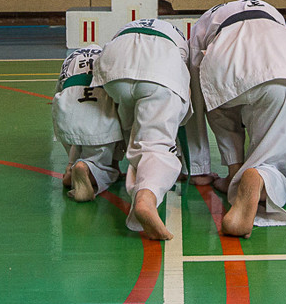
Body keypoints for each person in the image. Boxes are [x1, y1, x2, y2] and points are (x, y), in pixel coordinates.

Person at [187, 0, 286, 237]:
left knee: (220, 108)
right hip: (279, 66)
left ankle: (235, 173)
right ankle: (260, 176)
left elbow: (196, 83)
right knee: (271, 155)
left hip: (223, 62)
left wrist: (199, 167)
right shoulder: (271, 10)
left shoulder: (207, 18)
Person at [92, 17, 192, 240]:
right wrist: (192, 167)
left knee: (134, 134)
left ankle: (101, 165)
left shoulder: (129, 26)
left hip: (115, 64)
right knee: (155, 143)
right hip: (160, 67)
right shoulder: (180, 38)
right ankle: (147, 197)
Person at [53, 46, 123, 202]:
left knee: (77, 139)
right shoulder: (107, 57)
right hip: (98, 116)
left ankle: (71, 167)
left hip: (67, 113)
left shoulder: (70, 59)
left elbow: (58, 90)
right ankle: (87, 168)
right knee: (105, 168)